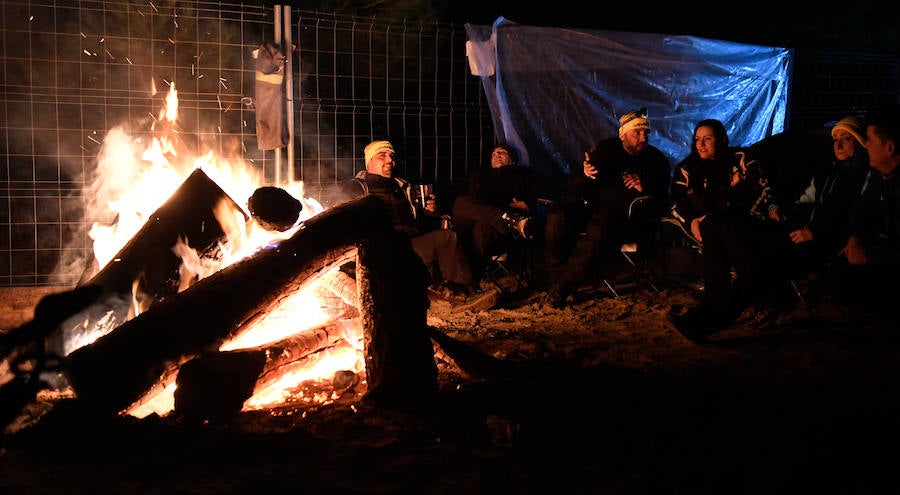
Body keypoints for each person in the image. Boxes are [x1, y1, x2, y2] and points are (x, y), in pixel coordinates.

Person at [668, 119, 785, 341]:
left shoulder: (740, 158)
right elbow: (677, 203)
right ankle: (732, 302)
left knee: (727, 230)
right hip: (712, 227)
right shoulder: (688, 169)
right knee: (713, 226)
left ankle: (757, 302)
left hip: (745, 224)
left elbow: (762, 188)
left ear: (722, 139)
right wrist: (691, 221)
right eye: (697, 140)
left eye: (707, 139)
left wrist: (771, 207)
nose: (700, 145)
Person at [543, 108, 671, 307]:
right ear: (623, 135)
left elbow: (663, 195)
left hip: (625, 219)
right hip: (591, 209)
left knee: (598, 231)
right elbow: (573, 186)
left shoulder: (655, 160)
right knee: (555, 218)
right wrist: (586, 174)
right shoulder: (606, 151)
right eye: (636, 132)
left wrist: (644, 185)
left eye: (645, 132)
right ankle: (555, 279)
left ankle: (560, 290)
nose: (643, 137)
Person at [341, 139, 488, 304]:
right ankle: (453, 293)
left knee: (447, 237)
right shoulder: (357, 187)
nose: (390, 160)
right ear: (369, 161)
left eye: (392, 156)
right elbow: (349, 224)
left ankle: (466, 291)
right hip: (383, 249)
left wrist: (431, 212)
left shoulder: (404, 187)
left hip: (410, 243)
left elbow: (420, 224)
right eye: (382, 155)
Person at [762, 116, 869, 311]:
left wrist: (816, 233)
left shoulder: (865, 177)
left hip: (831, 242)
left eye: (847, 138)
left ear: (861, 141)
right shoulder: (828, 173)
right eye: (836, 139)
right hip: (807, 232)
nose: (839, 144)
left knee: (768, 260)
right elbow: (807, 199)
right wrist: (780, 210)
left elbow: (856, 217)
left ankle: (776, 303)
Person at [830, 104, 900, 317]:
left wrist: (869, 255)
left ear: (889, 147)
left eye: (869, 139)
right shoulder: (880, 177)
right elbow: (860, 210)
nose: (866, 144)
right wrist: (853, 237)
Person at [451, 143, 539, 281]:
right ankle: (509, 219)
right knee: (461, 201)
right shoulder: (479, 176)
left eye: (502, 152)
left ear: (513, 160)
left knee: (483, 226)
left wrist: (527, 206)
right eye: (493, 154)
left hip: (497, 231)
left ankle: (471, 280)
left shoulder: (521, 175)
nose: (496, 155)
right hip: (469, 222)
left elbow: (536, 201)